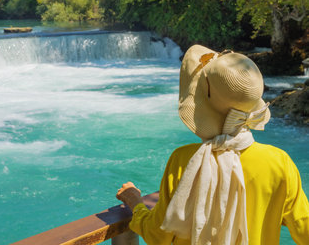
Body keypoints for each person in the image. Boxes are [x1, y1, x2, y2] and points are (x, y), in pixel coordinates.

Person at [116, 44, 309, 245]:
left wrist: (135, 203)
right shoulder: (279, 163)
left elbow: (158, 235)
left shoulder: (183, 160)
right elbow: (304, 231)